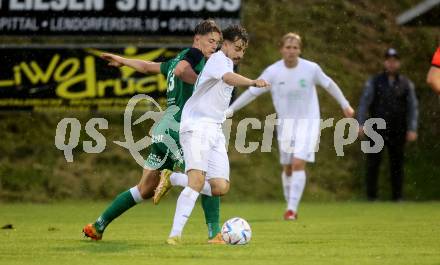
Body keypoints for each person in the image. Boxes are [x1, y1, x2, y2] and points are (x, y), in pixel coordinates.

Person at [82, 19, 225, 243]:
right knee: (202, 174)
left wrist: (122, 61)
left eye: (217, 42)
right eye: (211, 41)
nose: (214, 46)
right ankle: (214, 233)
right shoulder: (193, 57)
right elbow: (182, 71)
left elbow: (149, 66)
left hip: (163, 128)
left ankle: (98, 225)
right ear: (197, 38)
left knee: (146, 189)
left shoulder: (177, 58)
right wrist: (202, 87)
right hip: (181, 128)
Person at [153, 25, 270, 245]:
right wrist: (253, 82)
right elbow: (228, 78)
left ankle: (174, 177)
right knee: (197, 181)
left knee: (220, 187)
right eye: (237, 48)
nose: (240, 54)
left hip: (214, 130)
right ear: (224, 44)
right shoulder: (218, 60)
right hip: (196, 126)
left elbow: (217, 99)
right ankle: (175, 235)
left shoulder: (226, 63)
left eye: (243, 50)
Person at [223, 32, 354, 221]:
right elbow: (252, 92)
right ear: (281, 49)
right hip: (285, 126)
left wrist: (345, 104)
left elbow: (329, 84)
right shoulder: (273, 72)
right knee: (288, 168)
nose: (291, 51)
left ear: (299, 50)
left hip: (308, 124)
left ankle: (291, 209)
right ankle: (289, 205)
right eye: (288, 47)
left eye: (295, 47)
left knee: (297, 163)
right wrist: (231, 110)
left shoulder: (311, 69)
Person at [357, 48, 418, 201]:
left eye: (394, 61)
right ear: (385, 62)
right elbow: (365, 103)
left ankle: (397, 196)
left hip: (398, 128)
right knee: (373, 163)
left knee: (397, 163)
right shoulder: (374, 81)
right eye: (389, 61)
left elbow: (412, 107)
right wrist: (361, 123)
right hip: (376, 127)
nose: (391, 64)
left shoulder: (405, 83)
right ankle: (371, 196)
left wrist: (412, 128)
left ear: (398, 63)